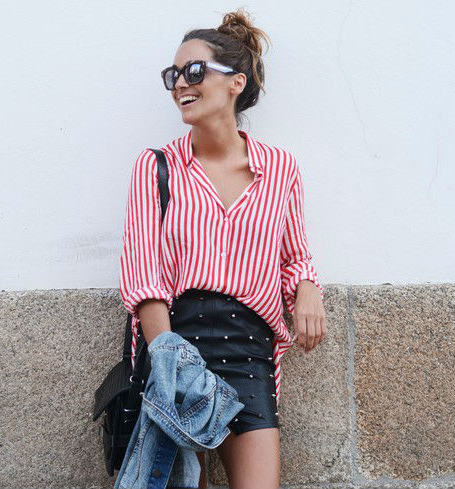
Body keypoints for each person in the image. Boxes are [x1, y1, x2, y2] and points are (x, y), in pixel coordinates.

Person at [118, 7, 326, 488]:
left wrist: (308, 289)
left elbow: (295, 257)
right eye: (172, 74)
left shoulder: (280, 169)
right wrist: (170, 365)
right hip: (177, 345)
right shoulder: (156, 167)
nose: (179, 84)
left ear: (236, 82)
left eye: (193, 71)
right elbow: (145, 275)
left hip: (249, 351)